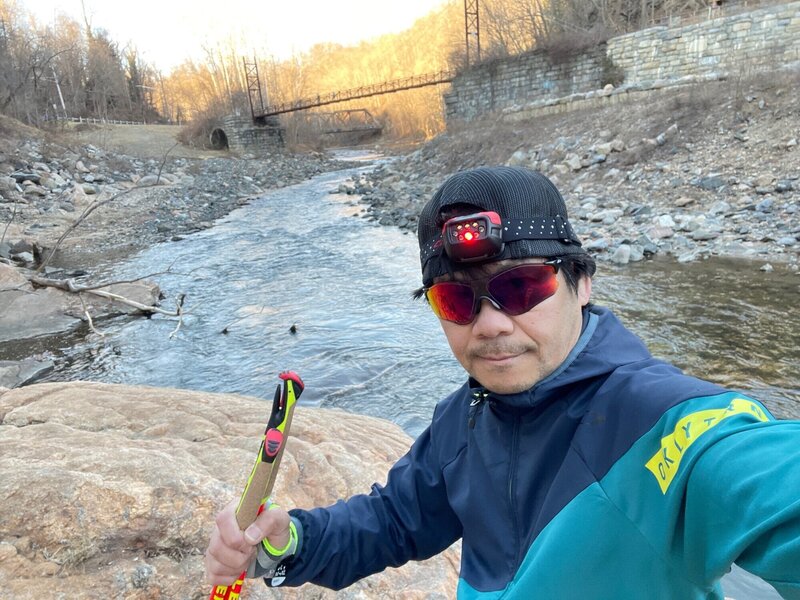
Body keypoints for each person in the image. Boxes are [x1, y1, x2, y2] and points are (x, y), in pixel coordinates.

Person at [205, 166, 800, 598]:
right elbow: (393, 521)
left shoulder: (669, 422)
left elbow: (765, 483)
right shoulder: (461, 420)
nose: (490, 323)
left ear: (582, 283)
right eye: (456, 299)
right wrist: (289, 542)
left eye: (520, 287)